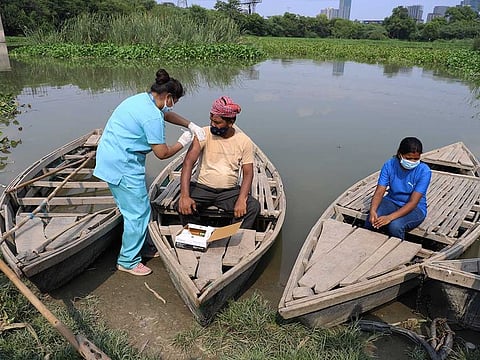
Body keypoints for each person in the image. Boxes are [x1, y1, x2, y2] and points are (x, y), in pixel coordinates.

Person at [94, 68, 205, 276]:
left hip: (110, 156)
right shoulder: (151, 117)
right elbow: (162, 153)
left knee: (136, 207)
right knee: (138, 213)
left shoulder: (142, 99)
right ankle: (128, 260)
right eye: (174, 101)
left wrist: (189, 124)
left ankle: (142, 246)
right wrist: (182, 142)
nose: (172, 106)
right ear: (169, 96)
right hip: (123, 165)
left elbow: (167, 114)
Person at [177, 95, 260, 229]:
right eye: (211, 121)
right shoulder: (203, 133)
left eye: (217, 122)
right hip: (202, 188)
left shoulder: (244, 141)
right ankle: (196, 233)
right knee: (182, 205)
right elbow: (188, 163)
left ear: (231, 122)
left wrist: (241, 199)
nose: (213, 125)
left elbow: (248, 174)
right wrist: (185, 195)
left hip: (228, 192)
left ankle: (233, 236)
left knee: (252, 207)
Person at [364, 137, 432, 240]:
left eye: (416, 159)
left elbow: (413, 203)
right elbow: (379, 192)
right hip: (391, 201)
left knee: (395, 226)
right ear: (400, 154)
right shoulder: (389, 165)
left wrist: (389, 218)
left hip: (415, 208)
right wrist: (373, 210)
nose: (412, 161)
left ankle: (397, 249)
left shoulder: (424, 171)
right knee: (372, 220)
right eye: (408, 158)